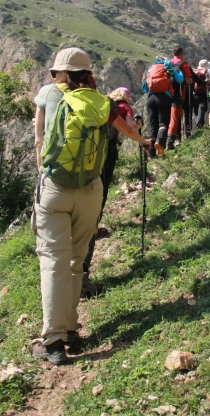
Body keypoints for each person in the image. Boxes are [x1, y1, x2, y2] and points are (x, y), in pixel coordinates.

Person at [32, 48, 153, 365]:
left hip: (55, 189)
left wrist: (44, 176)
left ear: (61, 74)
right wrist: (146, 144)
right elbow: (127, 130)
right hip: (91, 190)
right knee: (75, 260)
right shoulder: (102, 102)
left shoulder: (47, 94)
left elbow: (38, 140)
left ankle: (54, 341)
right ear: (87, 74)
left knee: (53, 262)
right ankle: (71, 329)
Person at [81, 87, 142, 298]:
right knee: (101, 193)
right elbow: (130, 128)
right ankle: (92, 228)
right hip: (108, 152)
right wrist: (143, 136)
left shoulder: (96, 105)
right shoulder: (118, 109)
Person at [145, 56, 184, 157]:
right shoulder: (168, 66)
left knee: (153, 125)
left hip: (150, 98)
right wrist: (180, 72)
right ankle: (160, 143)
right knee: (163, 124)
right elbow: (180, 79)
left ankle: (151, 153)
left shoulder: (151, 68)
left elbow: (145, 83)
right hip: (164, 97)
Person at [167, 46, 193, 150]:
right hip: (179, 94)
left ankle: (174, 139)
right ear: (181, 54)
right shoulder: (183, 64)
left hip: (166, 94)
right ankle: (172, 142)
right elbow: (187, 80)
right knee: (176, 117)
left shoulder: (167, 63)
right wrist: (191, 81)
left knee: (170, 117)